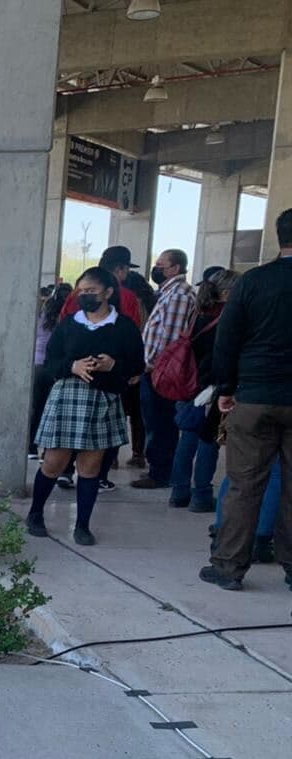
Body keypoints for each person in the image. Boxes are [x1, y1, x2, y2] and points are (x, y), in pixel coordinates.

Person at [200, 208, 292, 591]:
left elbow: (227, 340)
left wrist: (226, 388)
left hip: (253, 397)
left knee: (244, 484)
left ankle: (228, 567)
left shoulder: (252, 282)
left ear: (278, 236)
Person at [28, 266, 145, 545]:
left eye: (91, 291)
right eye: (82, 291)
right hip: (68, 395)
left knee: (90, 466)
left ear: (107, 292)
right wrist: (73, 365)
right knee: (54, 461)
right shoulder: (69, 324)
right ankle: (35, 514)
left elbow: (137, 367)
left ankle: (82, 525)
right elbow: (51, 363)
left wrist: (113, 364)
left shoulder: (124, 327)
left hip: (103, 399)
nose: (85, 296)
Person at [168, 269, 235, 511]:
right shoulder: (228, 318)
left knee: (186, 438)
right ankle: (202, 495)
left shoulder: (197, 314)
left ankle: (179, 492)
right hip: (212, 386)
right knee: (208, 441)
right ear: (228, 292)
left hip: (187, 383)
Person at [132, 249, 198, 489]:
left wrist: (149, 367)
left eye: (161, 265)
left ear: (176, 268)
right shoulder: (169, 293)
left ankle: (160, 472)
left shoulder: (179, 295)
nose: (156, 269)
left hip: (160, 373)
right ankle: (160, 469)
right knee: (157, 421)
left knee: (160, 423)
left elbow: (168, 340)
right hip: (156, 370)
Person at [29, 283, 72, 459]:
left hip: (38, 365)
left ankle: (31, 447)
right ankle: (48, 451)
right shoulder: (68, 319)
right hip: (56, 367)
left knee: (36, 408)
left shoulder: (42, 315)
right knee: (53, 411)